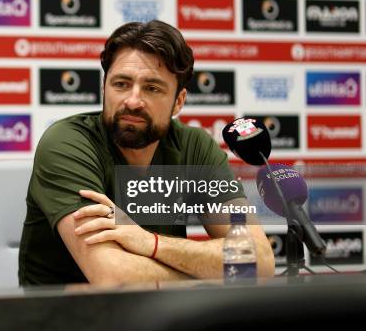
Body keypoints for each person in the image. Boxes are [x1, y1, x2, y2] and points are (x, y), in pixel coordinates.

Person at [18, 20, 275, 285]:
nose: (132, 101)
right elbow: (115, 278)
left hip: (159, 314)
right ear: (104, 88)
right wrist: (208, 271)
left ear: (178, 101)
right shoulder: (68, 144)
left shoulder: (194, 146)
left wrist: (150, 243)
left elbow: (261, 261)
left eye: (152, 88)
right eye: (121, 84)